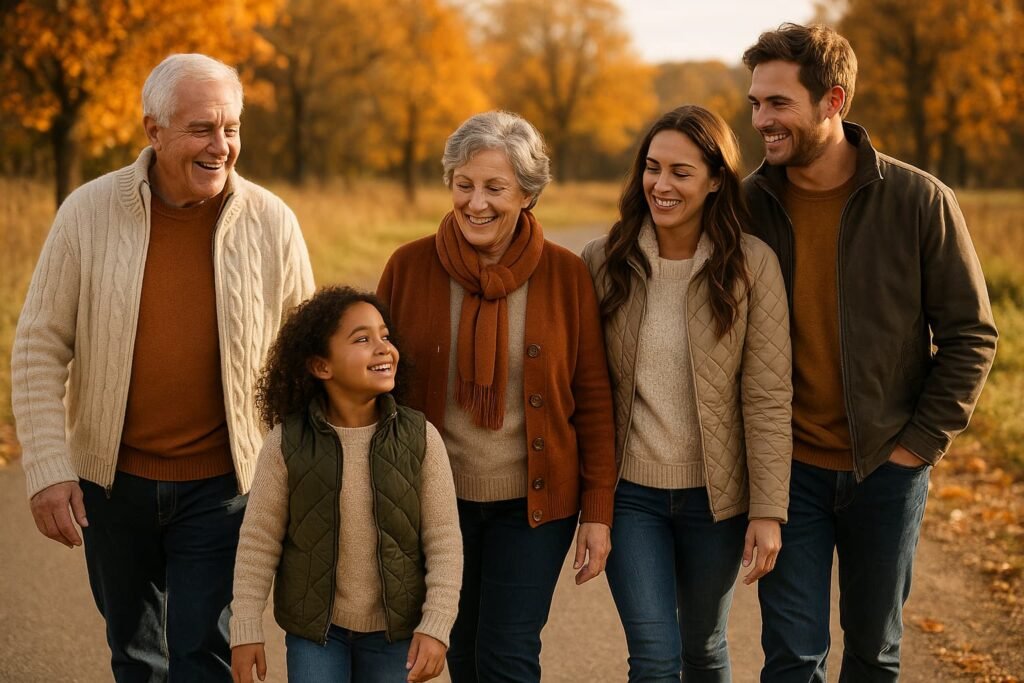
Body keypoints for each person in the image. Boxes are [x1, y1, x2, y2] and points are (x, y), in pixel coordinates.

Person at [11, 53, 315, 681]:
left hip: (225, 488)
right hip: (112, 484)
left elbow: (307, 360)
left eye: (231, 129)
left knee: (203, 656)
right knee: (136, 657)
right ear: (153, 130)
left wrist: (304, 475)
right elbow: (40, 345)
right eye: (202, 129)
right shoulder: (87, 214)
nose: (221, 146)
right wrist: (46, 468)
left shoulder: (271, 222)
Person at [742, 23, 998, 682]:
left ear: (833, 101)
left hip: (887, 465)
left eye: (777, 104)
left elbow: (971, 333)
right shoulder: (747, 206)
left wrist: (917, 444)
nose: (761, 120)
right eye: (755, 104)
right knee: (791, 656)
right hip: (786, 469)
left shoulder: (918, 201)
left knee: (873, 654)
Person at [376, 110, 617, 683]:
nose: (475, 203)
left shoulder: (565, 275)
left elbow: (594, 399)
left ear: (527, 195)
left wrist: (598, 513)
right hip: (435, 503)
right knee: (458, 651)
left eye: (494, 188)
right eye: (464, 185)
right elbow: (371, 390)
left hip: (533, 508)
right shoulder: (407, 268)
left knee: (507, 655)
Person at [581, 105, 793, 682]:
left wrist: (769, 510)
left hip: (715, 500)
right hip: (632, 497)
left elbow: (769, 395)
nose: (661, 184)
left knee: (702, 647)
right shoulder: (605, 262)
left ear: (716, 178)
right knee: (653, 656)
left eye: (681, 171)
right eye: (652, 168)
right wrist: (592, 505)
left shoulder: (751, 267)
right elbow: (585, 389)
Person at [228, 286, 462, 683]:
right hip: (316, 634)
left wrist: (435, 625)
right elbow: (258, 541)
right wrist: (245, 627)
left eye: (385, 336)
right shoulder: (286, 443)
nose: (383, 347)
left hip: (395, 633)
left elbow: (443, 541)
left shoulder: (419, 437)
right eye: (362, 339)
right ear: (322, 366)